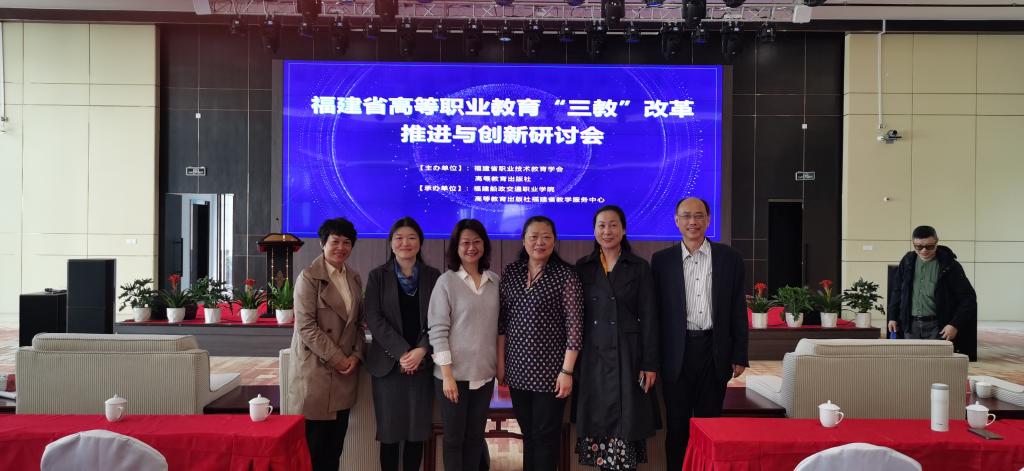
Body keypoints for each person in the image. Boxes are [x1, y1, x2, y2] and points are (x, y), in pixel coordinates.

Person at [650, 197, 748, 471]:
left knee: (710, 425)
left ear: (708, 219)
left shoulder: (729, 258)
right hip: (676, 354)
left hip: (714, 351)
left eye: (698, 216)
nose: (692, 222)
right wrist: (652, 358)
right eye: (686, 216)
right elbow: (655, 314)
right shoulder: (661, 261)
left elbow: (737, 308)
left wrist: (739, 353)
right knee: (677, 426)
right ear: (676, 220)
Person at [573, 206, 660, 471]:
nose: (607, 231)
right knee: (600, 423)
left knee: (626, 424)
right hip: (593, 357)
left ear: (623, 230)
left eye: (613, 225)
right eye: (601, 225)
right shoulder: (583, 267)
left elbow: (650, 317)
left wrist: (649, 363)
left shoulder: (639, 267)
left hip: (628, 354)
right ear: (594, 230)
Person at [498, 215, 584, 471]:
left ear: (554, 241)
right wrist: (501, 365)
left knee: (545, 435)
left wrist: (567, 371)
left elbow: (575, 328)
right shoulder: (512, 272)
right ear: (523, 240)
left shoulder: (565, 275)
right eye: (533, 237)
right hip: (517, 371)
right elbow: (502, 323)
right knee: (528, 433)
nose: (539, 242)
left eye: (546, 237)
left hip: (552, 374)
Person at [288, 217, 365, 471]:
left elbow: (358, 324)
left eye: (346, 242)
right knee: (312, 451)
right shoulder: (309, 277)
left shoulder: (354, 278)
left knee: (334, 451)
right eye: (335, 241)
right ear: (323, 243)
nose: (341, 247)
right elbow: (306, 327)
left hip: (344, 375)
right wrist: (338, 358)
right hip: (316, 373)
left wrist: (356, 355)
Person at [364, 217, 440, 471]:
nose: (405, 243)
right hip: (388, 367)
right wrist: (403, 353)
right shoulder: (378, 276)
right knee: (390, 433)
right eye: (399, 238)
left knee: (417, 433)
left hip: (422, 365)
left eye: (411, 238)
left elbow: (440, 318)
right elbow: (373, 317)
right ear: (391, 243)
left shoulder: (433, 276)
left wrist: (421, 350)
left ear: (420, 242)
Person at [428, 219, 500, 471]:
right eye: (465, 242)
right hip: (453, 377)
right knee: (454, 439)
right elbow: (438, 331)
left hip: (484, 376)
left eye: (477, 242)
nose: (471, 247)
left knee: (475, 438)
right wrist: (447, 375)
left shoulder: (494, 281)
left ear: (484, 245)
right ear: (456, 247)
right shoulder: (446, 282)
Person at [887, 225, 978, 360]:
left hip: (938, 326)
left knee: (936, 364)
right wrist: (892, 316)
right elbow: (897, 291)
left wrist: (954, 324)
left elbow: (968, 298)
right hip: (910, 325)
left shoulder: (950, 265)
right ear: (913, 244)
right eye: (919, 247)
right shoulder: (907, 262)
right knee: (910, 364)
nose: (924, 250)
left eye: (929, 246)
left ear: (936, 242)